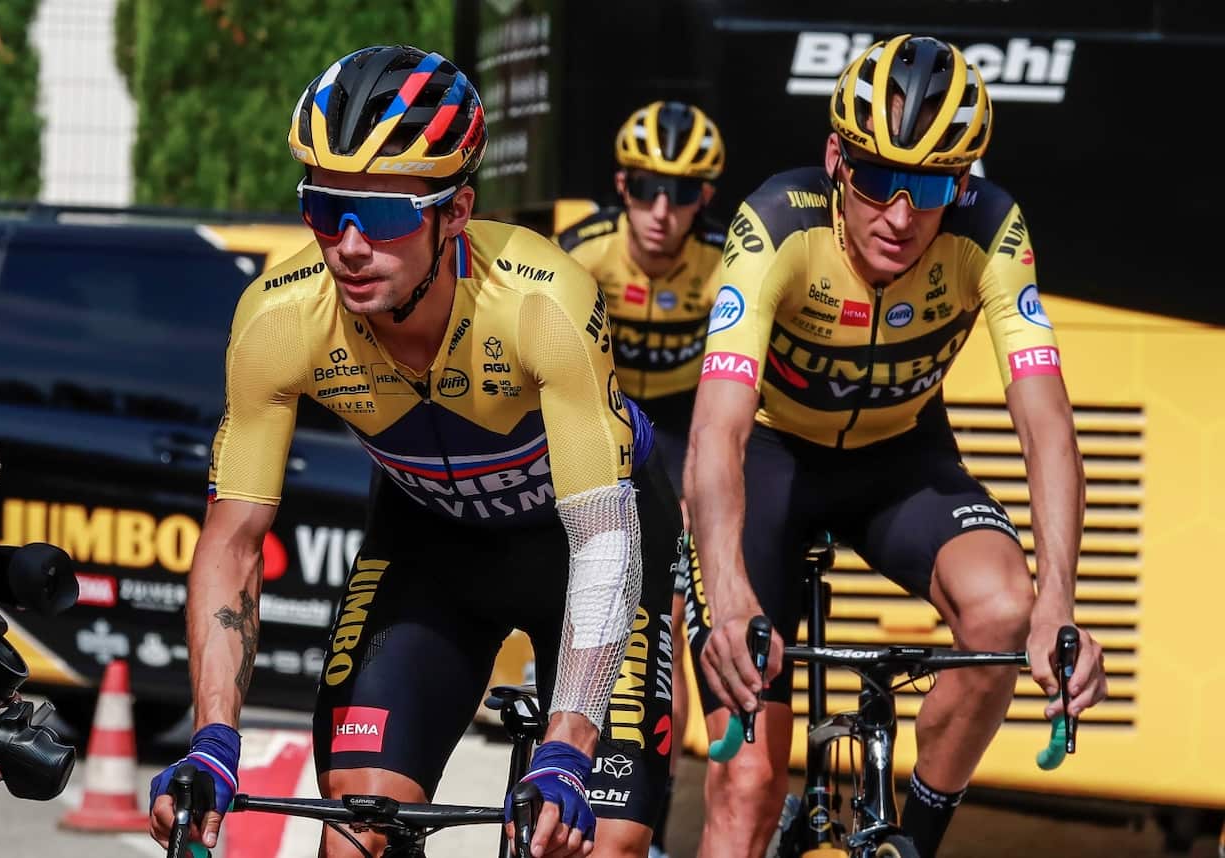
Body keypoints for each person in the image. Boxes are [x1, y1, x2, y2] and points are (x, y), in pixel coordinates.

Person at [145, 44, 681, 858]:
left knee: (599, 840)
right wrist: (214, 739)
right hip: (428, 548)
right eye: (326, 209)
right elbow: (233, 540)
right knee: (360, 830)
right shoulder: (278, 322)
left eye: (387, 214)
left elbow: (604, 543)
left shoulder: (544, 303)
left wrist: (569, 748)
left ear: (457, 210)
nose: (351, 244)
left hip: (587, 553)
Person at [682, 35, 1108, 858]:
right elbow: (717, 429)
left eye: (932, 185)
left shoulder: (991, 229)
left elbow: (1045, 422)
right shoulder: (774, 223)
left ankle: (912, 840)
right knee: (747, 783)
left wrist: (1060, 597)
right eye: (880, 180)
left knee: (1004, 612)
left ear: (964, 182)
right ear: (836, 159)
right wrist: (728, 591)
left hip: (899, 459)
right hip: (773, 461)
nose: (902, 215)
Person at [554, 100, 725, 858]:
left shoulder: (724, 264)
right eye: (646, 189)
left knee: (668, 623)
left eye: (683, 194)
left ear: (705, 200)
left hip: (681, 439)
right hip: (606, 433)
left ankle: (650, 818)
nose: (662, 212)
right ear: (620, 185)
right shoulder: (583, 250)